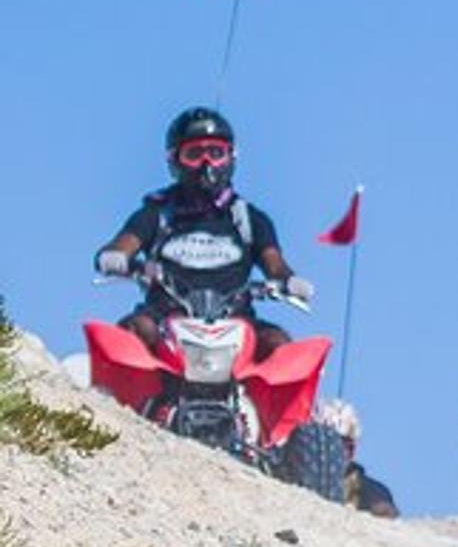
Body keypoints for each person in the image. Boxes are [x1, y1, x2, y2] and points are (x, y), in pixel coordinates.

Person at [94, 108, 313, 361]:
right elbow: (124, 244)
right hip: (166, 319)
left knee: (280, 346)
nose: (206, 164)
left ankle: (292, 402)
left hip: (236, 323)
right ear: (175, 161)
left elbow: (275, 265)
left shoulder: (250, 219)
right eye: (194, 154)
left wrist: (290, 281)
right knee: (133, 331)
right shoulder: (157, 214)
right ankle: (106, 400)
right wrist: (115, 257)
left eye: (216, 153)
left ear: (231, 158)